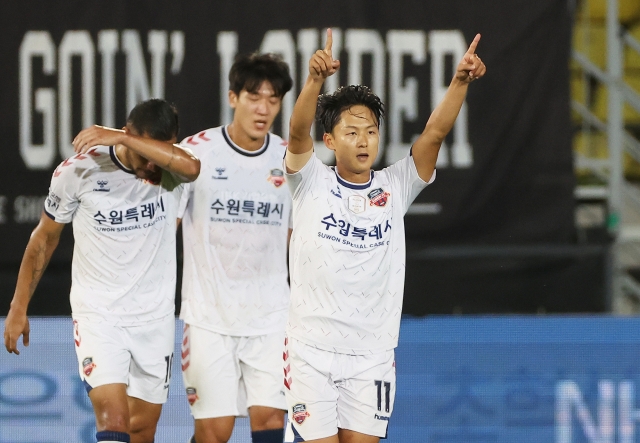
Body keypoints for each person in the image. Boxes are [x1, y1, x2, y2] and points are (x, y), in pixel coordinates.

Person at [283, 29, 486, 443]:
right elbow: (296, 133)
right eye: (352, 132)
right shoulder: (309, 180)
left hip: (371, 356)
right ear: (330, 140)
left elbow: (433, 134)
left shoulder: (396, 186)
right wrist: (313, 82)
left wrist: (459, 83)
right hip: (310, 352)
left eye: (371, 131)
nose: (364, 140)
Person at [3, 98, 201, 443]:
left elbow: (193, 167)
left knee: (142, 429)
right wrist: (19, 306)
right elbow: (43, 240)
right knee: (114, 418)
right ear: (126, 134)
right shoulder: (78, 171)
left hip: (153, 318)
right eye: (143, 157)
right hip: (99, 315)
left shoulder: (174, 169)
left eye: (157, 154)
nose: (151, 167)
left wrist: (126, 140)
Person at [178, 52, 293, 443]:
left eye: (273, 100)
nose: (263, 109)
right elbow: (166, 223)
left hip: (272, 320)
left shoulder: (290, 159)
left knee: (271, 424)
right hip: (210, 319)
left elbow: (299, 239)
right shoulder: (196, 152)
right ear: (233, 97)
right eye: (253, 97)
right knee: (214, 432)